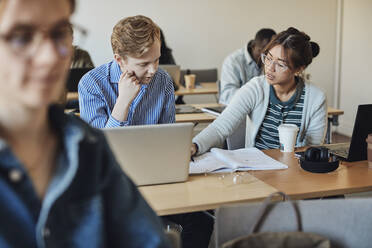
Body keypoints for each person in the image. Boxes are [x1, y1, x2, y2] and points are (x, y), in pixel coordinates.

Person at [0, 0, 170, 247]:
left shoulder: (87, 145)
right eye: (22, 36)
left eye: (60, 33)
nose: (51, 56)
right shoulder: (92, 94)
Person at [192, 27, 326, 156]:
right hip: (257, 169)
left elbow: (313, 147)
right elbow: (221, 127)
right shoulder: (256, 88)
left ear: (298, 69)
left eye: (280, 64)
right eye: (268, 58)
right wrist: (195, 146)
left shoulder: (316, 98)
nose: (270, 68)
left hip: (295, 171)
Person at [78, 16, 175, 128]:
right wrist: (123, 101)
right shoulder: (91, 83)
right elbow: (97, 144)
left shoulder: (164, 80)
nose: (153, 70)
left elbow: (168, 134)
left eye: (157, 60)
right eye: (143, 64)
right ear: (120, 60)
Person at [219, 28, 276, 104]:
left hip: (260, 107)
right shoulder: (233, 61)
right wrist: (255, 96)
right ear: (253, 46)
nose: (266, 56)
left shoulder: (272, 60)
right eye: (262, 51)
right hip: (234, 107)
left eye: (270, 51)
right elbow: (227, 95)